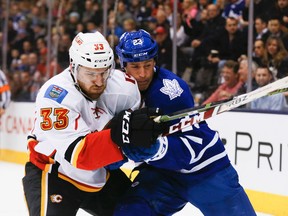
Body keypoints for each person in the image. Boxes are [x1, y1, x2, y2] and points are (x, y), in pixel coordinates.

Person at [114, 29, 256, 215]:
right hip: (161, 175)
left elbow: (193, 145)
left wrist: (157, 148)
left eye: (147, 65)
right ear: (123, 64)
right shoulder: (115, 91)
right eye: (135, 67)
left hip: (205, 171)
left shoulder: (171, 91)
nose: (142, 74)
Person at [22, 31, 163, 216]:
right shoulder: (55, 96)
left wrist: (139, 144)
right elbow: (81, 156)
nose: (99, 82)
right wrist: (122, 134)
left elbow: (133, 137)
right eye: (90, 73)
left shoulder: (125, 88)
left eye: (104, 72)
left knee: (141, 212)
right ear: (73, 66)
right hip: (54, 172)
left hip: (100, 174)